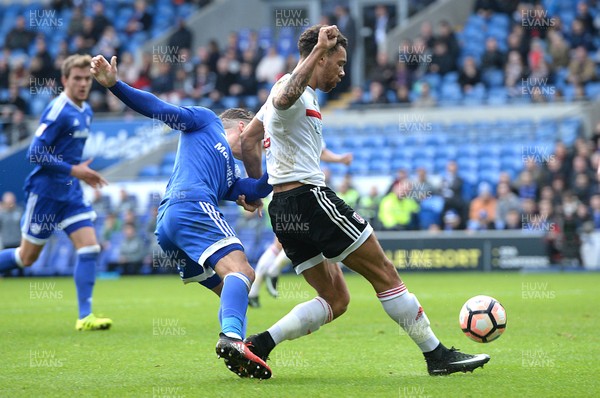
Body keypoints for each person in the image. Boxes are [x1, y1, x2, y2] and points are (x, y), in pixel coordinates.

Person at [240, 24, 489, 377]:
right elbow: (282, 99)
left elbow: (249, 139)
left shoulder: (282, 100)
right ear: (320, 57)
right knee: (385, 273)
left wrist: (255, 191)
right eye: (338, 63)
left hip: (283, 209)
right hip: (310, 199)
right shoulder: (286, 88)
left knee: (336, 299)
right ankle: (437, 355)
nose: (342, 72)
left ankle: (258, 344)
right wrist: (314, 54)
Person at [90, 54, 273, 379]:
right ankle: (231, 339)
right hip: (189, 206)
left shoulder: (230, 173)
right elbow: (160, 109)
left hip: (170, 227)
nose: (257, 148)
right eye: (257, 140)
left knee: (233, 287)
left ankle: (236, 343)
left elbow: (258, 188)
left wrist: (286, 163)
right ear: (244, 128)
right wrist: (115, 85)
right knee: (243, 270)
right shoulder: (206, 121)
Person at [0, 55, 112, 331]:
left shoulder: (86, 111)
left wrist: (77, 172)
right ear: (65, 80)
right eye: (77, 78)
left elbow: (68, 154)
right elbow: (34, 152)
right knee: (27, 258)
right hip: (46, 192)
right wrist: (75, 171)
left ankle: (85, 316)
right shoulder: (58, 109)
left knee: (89, 246)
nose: (83, 83)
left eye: (87, 78)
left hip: (70, 192)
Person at [248, 143, 353, 307]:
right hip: (297, 192)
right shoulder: (302, 123)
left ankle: (254, 291)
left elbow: (251, 143)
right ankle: (273, 270)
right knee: (307, 238)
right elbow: (321, 152)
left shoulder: (271, 122)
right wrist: (340, 159)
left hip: (277, 192)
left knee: (279, 244)